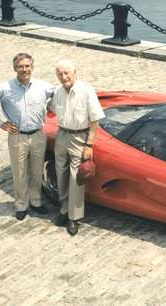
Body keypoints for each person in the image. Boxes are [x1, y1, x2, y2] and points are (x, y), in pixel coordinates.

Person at [0, 53, 54, 220]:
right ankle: (21, 204)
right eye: (20, 66)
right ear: (15, 69)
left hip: (38, 135)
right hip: (17, 136)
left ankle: (36, 202)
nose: (24, 69)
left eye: (27, 66)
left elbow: (58, 95)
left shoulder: (43, 86)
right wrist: (1, 123)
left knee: (37, 171)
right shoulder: (4, 88)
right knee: (19, 172)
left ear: (32, 67)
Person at [49, 59, 104, 236]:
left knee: (76, 178)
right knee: (61, 174)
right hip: (62, 134)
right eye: (60, 74)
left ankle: (74, 217)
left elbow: (95, 119)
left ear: (75, 73)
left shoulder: (87, 91)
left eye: (67, 73)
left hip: (80, 137)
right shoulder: (58, 91)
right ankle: (64, 211)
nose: (64, 77)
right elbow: (52, 110)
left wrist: (89, 144)